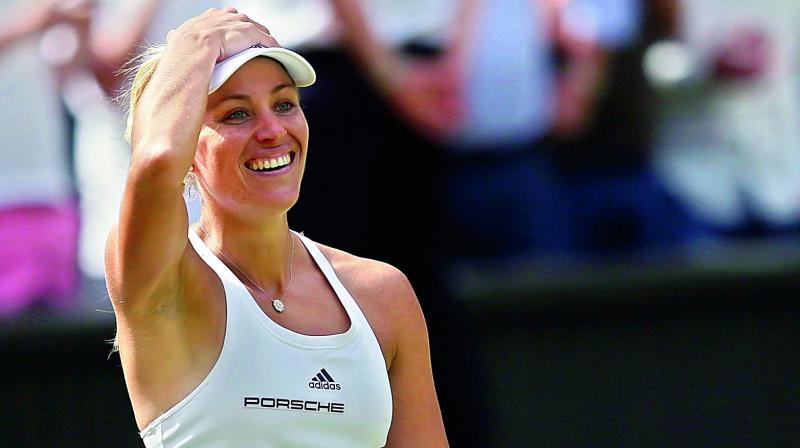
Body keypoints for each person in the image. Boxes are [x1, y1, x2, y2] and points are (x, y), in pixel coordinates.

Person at [105, 7, 448, 447]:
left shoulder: (383, 293)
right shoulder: (163, 281)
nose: (272, 131)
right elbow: (155, 162)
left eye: (284, 104)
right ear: (188, 145)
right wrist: (194, 41)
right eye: (236, 114)